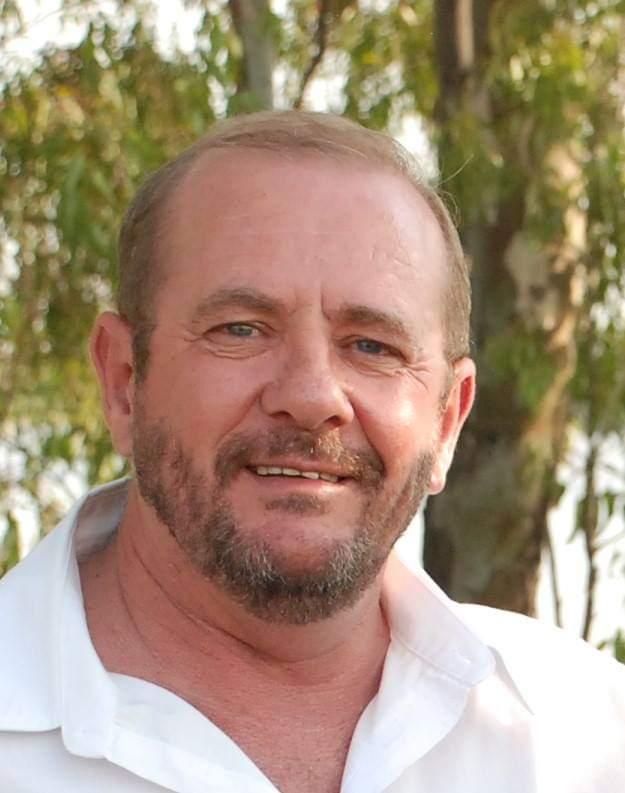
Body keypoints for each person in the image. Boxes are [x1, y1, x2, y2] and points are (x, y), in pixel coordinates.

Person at [0, 111, 623, 793]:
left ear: (447, 420)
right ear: (124, 381)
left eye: (372, 346)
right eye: (241, 329)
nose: (311, 396)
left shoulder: (585, 738)